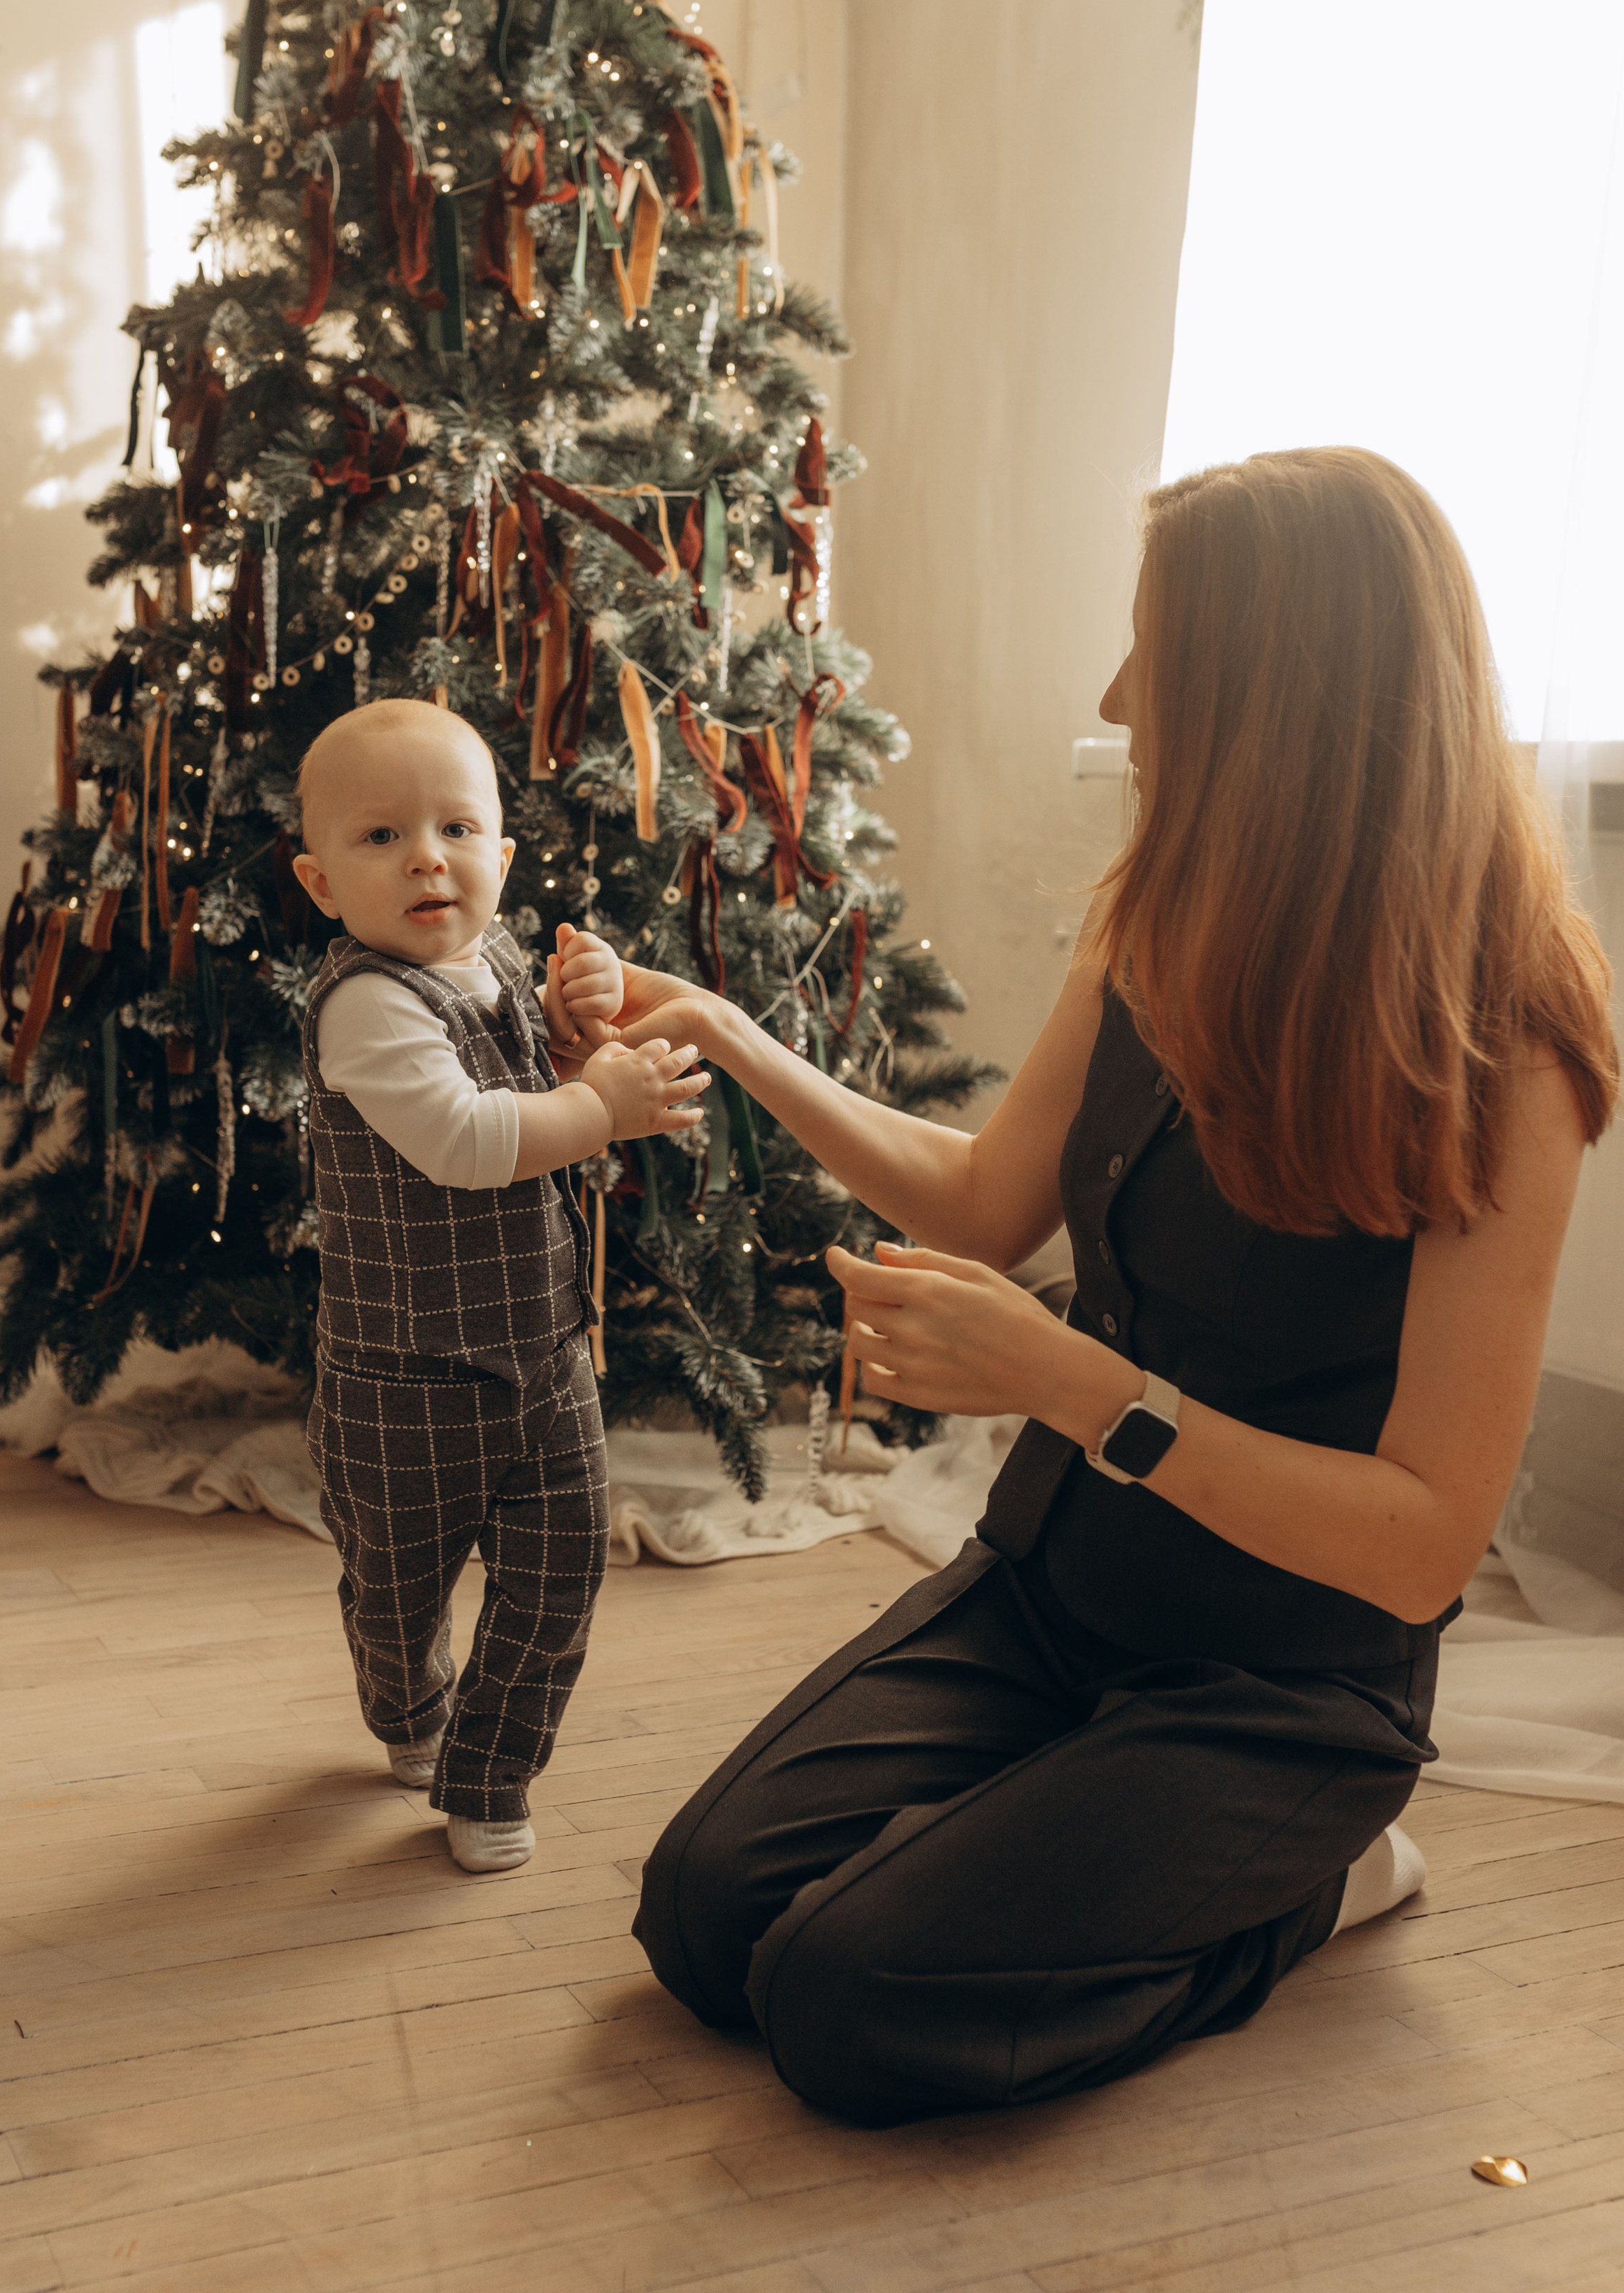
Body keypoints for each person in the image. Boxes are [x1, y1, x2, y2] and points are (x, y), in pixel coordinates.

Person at [615, 448, 1618, 2123]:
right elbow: (980, 1198)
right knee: (705, 1919)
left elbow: (1425, 1537)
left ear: (1270, 692)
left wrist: (1066, 1382)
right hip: (1054, 1592)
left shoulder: (1505, 1043)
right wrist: (728, 1036)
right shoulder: (1154, 919)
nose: (1112, 690)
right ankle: (1073, 1817)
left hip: (1287, 1680)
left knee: (838, 2004)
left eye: (1150, 644)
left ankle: (1313, 1885)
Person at [292, 699, 707, 1872]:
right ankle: (407, 1701)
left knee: (560, 1570)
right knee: (397, 1586)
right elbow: (470, 1141)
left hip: (541, 1351)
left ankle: (491, 1772)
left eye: (457, 828)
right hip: (406, 1378)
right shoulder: (367, 1005)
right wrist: (599, 1107)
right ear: (323, 883)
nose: (428, 855)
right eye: (383, 838)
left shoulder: (502, 964)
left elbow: (544, 1085)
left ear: (501, 857)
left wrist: (582, 1032)